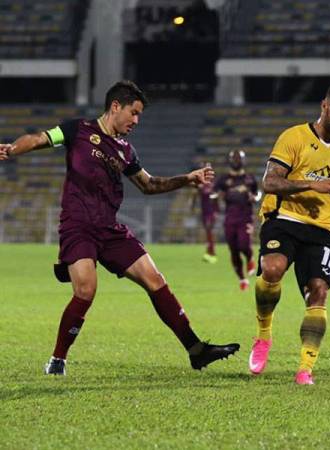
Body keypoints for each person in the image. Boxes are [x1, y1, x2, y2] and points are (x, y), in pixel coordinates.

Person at [0, 80, 239, 376]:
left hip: (109, 229)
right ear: (116, 107)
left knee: (155, 279)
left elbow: (150, 185)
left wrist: (187, 178)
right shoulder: (77, 130)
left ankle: (196, 350)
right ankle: (57, 359)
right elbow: (38, 139)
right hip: (78, 226)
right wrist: (12, 149)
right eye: (134, 113)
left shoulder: (126, 151)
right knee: (86, 290)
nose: (136, 121)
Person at [248, 81, 330, 385]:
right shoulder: (293, 137)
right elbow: (269, 183)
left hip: (322, 230)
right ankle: (263, 336)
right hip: (284, 218)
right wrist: (311, 184)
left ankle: (305, 369)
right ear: (324, 106)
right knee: (272, 269)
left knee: (319, 290)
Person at [214, 149, 260, 291]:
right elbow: (213, 194)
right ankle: (242, 278)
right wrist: (217, 196)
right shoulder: (223, 179)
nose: (236, 161)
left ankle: (250, 259)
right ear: (229, 161)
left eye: (238, 158)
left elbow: (258, 193)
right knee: (233, 250)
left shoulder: (250, 178)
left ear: (244, 160)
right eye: (234, 159)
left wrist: (255, 198)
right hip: (230, 218)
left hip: (246, 217)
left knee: (244, 245)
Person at [190, 168, 219, 264]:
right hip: (204, 212)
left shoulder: (214, 185)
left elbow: (217, 198)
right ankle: (210, 252)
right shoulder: (201, 185)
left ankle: (212, 252)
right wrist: (193, 207)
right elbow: (194, 195)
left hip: (212, 212)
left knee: (209, 229)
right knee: (208, 232)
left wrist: (217, 210)